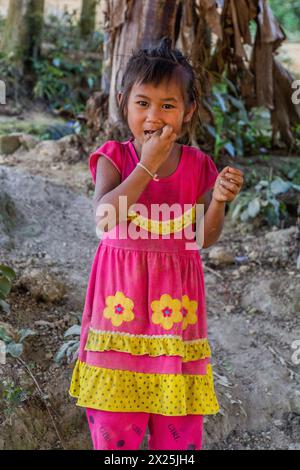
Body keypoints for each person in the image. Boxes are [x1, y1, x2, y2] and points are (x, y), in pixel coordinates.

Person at [69, 37, 244, 450]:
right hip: (120, 307)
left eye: (168, 105)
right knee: (116, 422)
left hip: (176, 313)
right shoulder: (114, 157)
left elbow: (203, 237)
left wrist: (218, 200)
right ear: (123, 102)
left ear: (188, 112)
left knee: (177, 424)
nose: (154, 115)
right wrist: (146, 164)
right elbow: (106, 216)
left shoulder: (199, 166)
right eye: (143, 103)